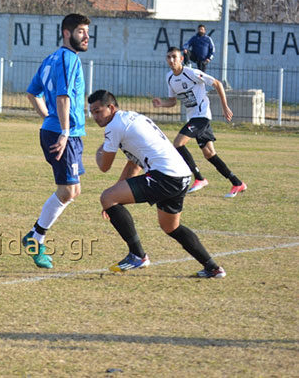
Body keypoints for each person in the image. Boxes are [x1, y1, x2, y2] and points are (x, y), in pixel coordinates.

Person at [90, 90, 226, 278]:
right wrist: (115, 199)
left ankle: (138, 256)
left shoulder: (114, 126)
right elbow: (134, 163)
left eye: (98, 111)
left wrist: (100, 150)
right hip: (182, 176)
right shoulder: (131, 119)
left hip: (166, 176)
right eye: (92, 112)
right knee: (171, 227)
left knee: (107, 196)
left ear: (111, 107)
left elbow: (104, 166)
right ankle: (213, 268)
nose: (94, 117)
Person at [20, 13, 90, 269]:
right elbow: (62, 98)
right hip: (64, 135)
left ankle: (35, 237)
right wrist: (62, 130)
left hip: (63, 131)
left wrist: (49, 119)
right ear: (66, 33)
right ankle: (35, 239)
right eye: (81, 31)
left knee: (74, 190)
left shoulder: (50, 59)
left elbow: (32, 92)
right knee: (68, 190)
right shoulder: (68, 59)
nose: (86, 36)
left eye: (87, 32)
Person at [152, 47, 247, 198]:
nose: (171, 60)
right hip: (194, 118)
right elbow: (172, 102)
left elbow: (217, 83)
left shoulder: (191, 73)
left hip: (202, 117)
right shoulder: (169, 77)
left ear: (181, 59)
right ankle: (237, 183)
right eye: (168, 57)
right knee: (210, 154)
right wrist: (161, 104)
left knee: (178, 143)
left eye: (174, 57)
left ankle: (199, 178)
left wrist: (224, 106)